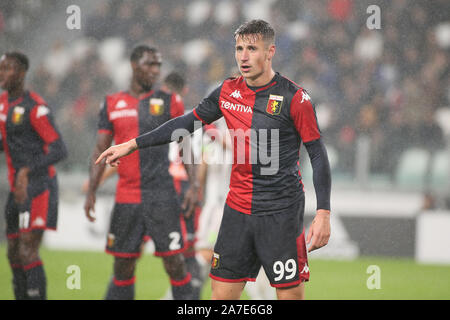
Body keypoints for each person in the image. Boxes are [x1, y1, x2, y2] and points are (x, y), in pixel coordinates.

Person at [96, 20, 332, 300]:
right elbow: (185, 123)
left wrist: (323, 212)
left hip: (280, 213)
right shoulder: (227, 92)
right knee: (221, 297)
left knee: (289, 296)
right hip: (237, 211)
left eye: (252, 49)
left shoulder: (295, 98)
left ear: (270, 52)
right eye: (239, 48)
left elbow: (317, 154)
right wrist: (133, 144)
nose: (243, 56)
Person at [84, 45, 198, 300]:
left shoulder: (171, 101)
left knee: (175, 263)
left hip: (162, 195)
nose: (156, 71)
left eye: (159, 65)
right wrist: (91, 191)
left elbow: (186, 144)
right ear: (134, 66)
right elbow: (100, 149)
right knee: (122, 266)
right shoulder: (112, 103)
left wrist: (194, 186)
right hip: (127, 197)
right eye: (150, 64)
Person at [0, 51, 68, 299]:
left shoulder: (35, 108)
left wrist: (28, 170)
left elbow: (60, 148)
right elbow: (7, 142)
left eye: (7, 68)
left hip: (39, 187)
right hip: (16, 190)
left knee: (28, 250)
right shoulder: (3, 105)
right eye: (0, 68)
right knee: (13, 252)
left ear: (21, 73)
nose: (1, 74)